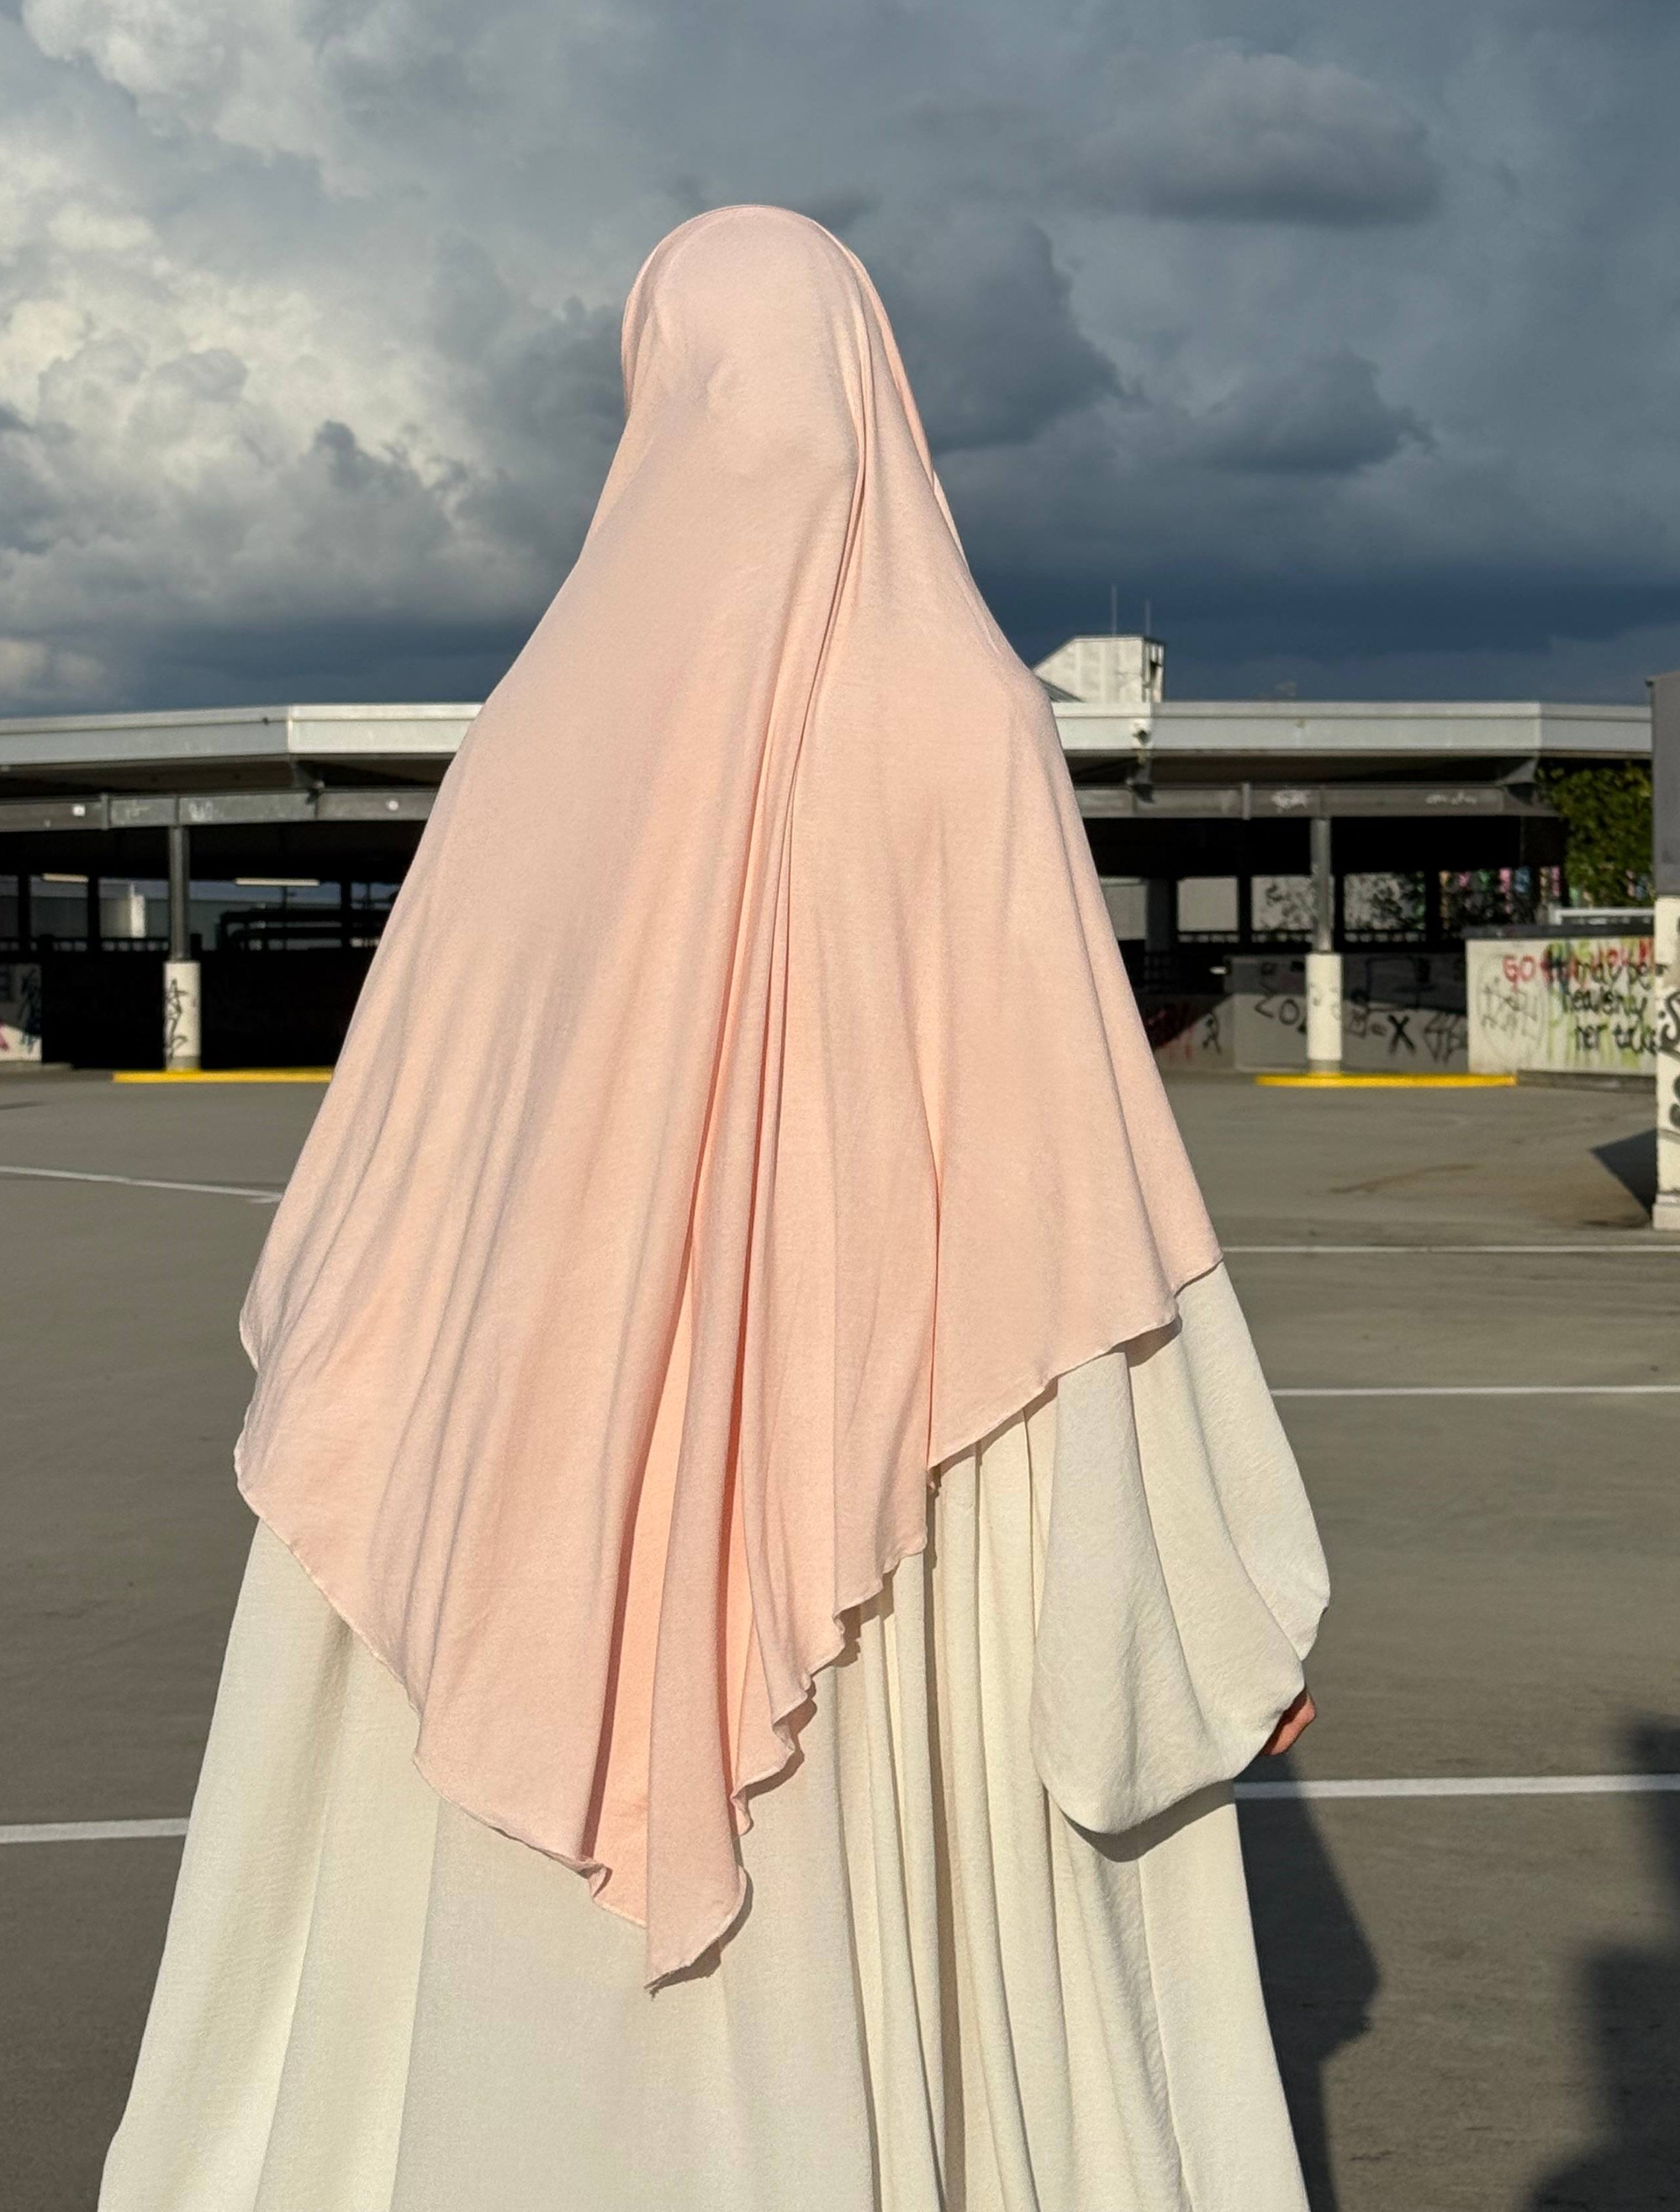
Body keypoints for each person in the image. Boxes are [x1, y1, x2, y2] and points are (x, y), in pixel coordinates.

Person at [100, 204, 1327, 2212]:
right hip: (906, 1508)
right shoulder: (966, 721)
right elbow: (1077, 1210)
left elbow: (401, 1184)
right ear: (878, 392)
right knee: (882, 1940)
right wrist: (1200, 1584)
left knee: (490, 1979)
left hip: (529, 1477)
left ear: (651, 393)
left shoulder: (541, 730)